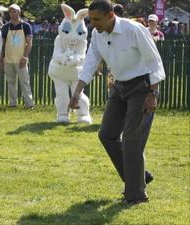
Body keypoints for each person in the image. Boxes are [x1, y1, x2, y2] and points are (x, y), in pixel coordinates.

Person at [68, 0, 165, 204]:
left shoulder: (134, 29)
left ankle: (136, 195)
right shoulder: (97, 34)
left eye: (97, 19)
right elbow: (90, 62)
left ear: (111, 16)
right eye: (91, 19)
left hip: (142, 87)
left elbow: (154, 61)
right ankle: (139, 176)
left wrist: (153, 94)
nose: (93, 24)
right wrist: (77, 91)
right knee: (107, 135)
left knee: (131, 141)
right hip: (120, 86)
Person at [1, 4, 35, 109]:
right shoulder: (5, 27)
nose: (12, 14)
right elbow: (2, 44)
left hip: (21, 59)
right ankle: (13, 103)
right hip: (8, 59)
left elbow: (29, 43)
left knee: (24, 82)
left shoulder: (26, 26)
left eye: (14, 11)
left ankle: (29, 104)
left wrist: (25, 57)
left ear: (19, 12)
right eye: (10, 12)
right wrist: (1, 58)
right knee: (11, 82)